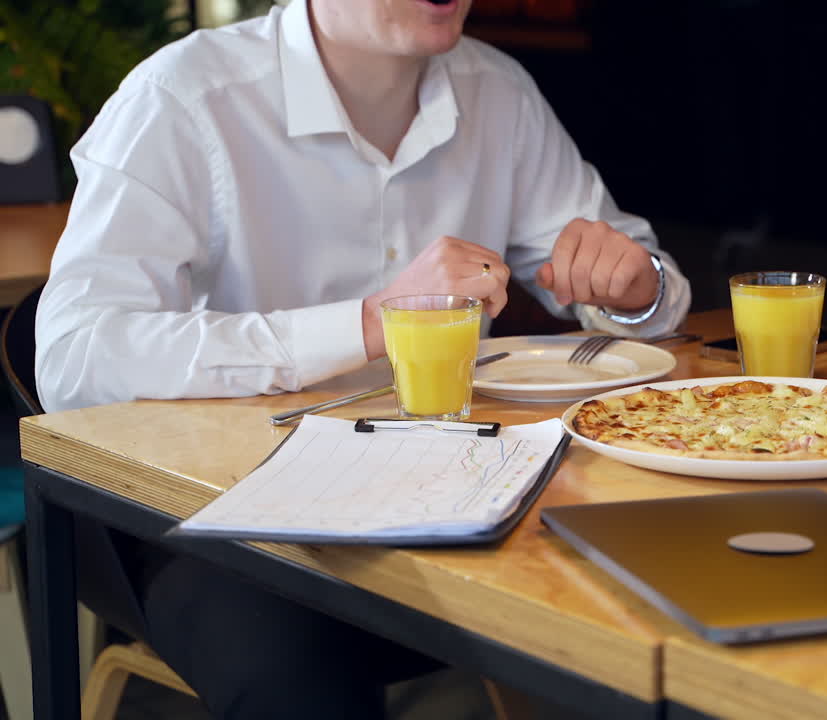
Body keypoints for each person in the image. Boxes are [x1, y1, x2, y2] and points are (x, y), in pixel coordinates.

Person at [32, 0, 690, 717]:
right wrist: (367, 324)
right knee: (297, 677)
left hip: (455, 490)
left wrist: (633, 287)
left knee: (655, 599)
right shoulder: (184, 97)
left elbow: (651, 292)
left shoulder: (496, 90)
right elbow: (75, 356)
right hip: (219, 517)